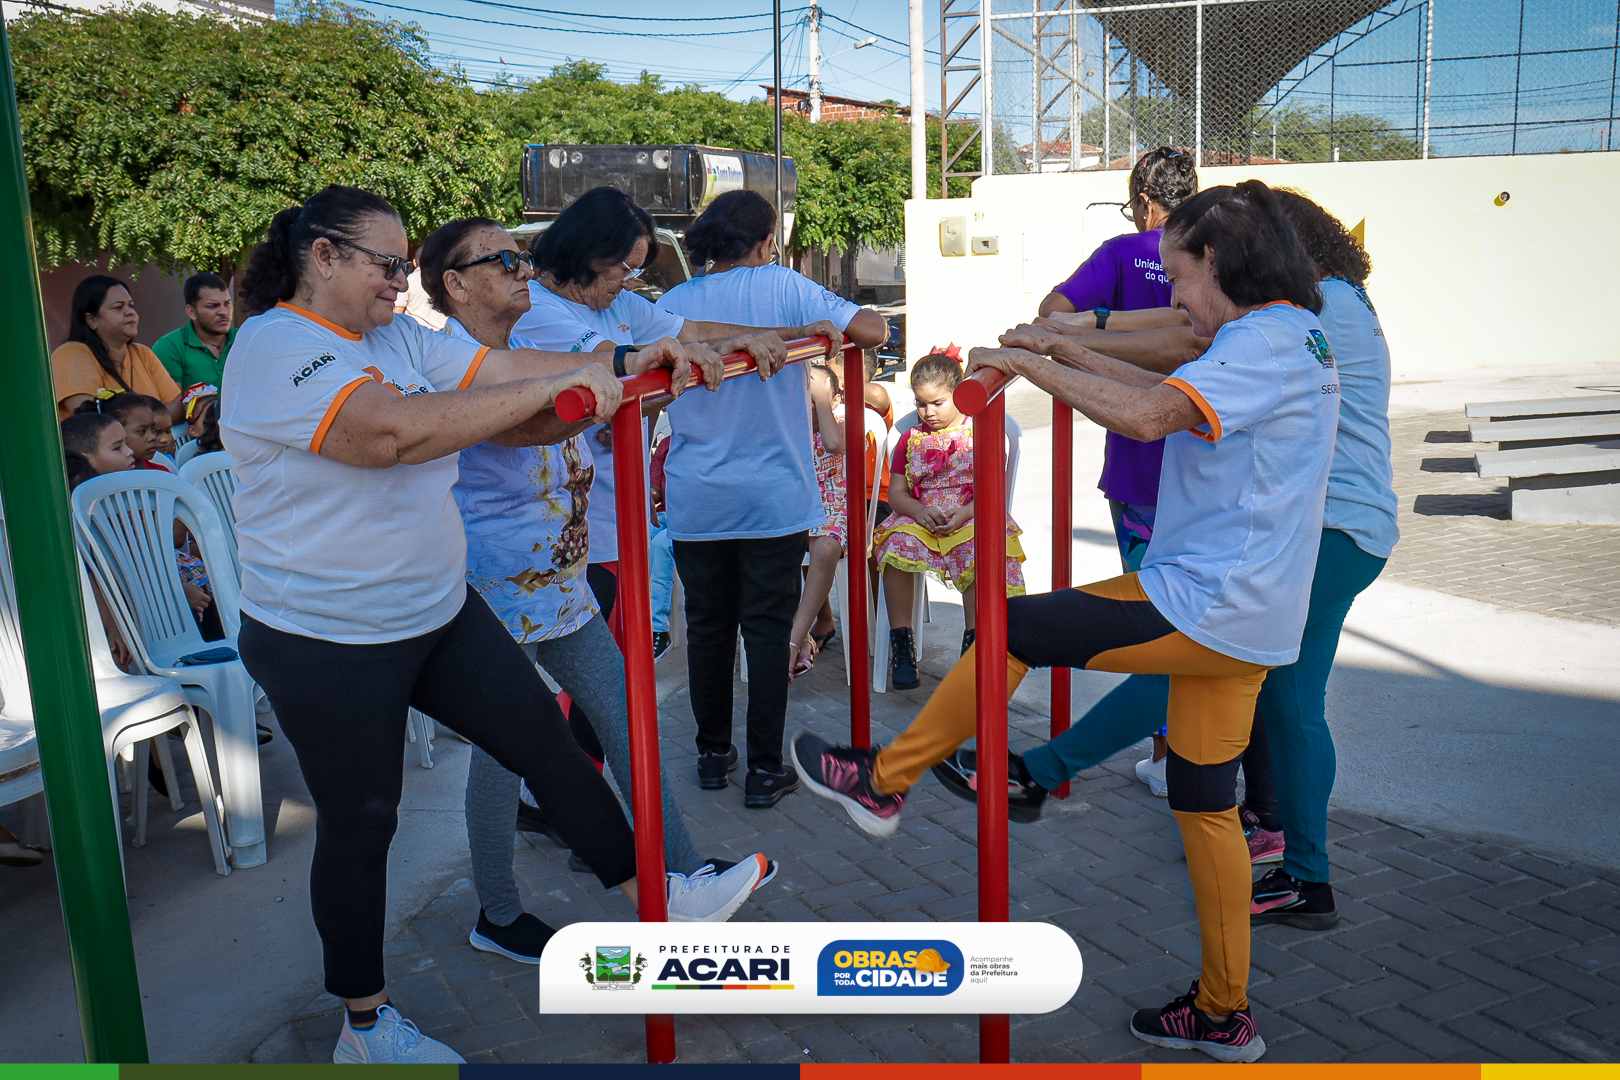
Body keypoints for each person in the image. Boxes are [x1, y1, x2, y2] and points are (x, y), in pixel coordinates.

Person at [795, 180, 1337, 1063]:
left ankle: (885, 780)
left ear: (1218, 262)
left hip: (1208, 600)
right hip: (1253, 608)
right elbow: (1162, 385)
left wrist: (1034, 366)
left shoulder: (1260, 341)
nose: (1176, 300)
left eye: (1179, 277)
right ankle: (1222, 1012)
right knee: (1205, 804)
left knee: (1014, 628)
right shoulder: (1289, 333)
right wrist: (1057, 349)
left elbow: (1153, 415)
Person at [223, 184, 708, 1064]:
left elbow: (496, 372)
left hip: (435, 608)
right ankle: (365, 1025)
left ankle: (662, 900)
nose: (399, 280)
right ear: (322, 257)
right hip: (327, 637)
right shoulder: (273, 346)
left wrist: (628, 358)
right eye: (386, 264)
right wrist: (568, 381)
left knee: (548, 746)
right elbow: (387, 436)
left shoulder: (399, 336)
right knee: (364, 822)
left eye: (405, 265)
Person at [417, 216, 777, 962]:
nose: (524, 269)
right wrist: (603, 387)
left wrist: (642, 376)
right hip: (494, 585)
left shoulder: (525, 346)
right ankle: (498, 912)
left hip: (560, 579)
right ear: (456, 284)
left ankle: (681, 875)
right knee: (504, 754)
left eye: (521, 256)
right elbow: (530, 423)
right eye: (503, 261)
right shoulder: (446, 362)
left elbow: (602, 371)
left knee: (625, 719)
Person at [654, 189, 889, 806]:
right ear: (765, 243)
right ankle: (763, 770)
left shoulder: (674, 303)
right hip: (773, 494)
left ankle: (711, 757)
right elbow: (873, 329)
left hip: (698, 495)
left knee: (707, 628)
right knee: (765, 629)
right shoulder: (785, 287)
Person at [1035, 148, 1201, 795]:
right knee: (1202, 616)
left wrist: (1091, 338)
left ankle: (1165, 758)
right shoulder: (1218, 257)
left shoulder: (1122, 254)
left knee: (1152, 618)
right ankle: (1202, 751)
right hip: (1209, 471)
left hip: (1141, 470)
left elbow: (1052, 312)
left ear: (1145, 202)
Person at [872, 351, 1026, 689]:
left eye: (937, 403)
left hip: (971, 515)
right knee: (895, 547)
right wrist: (917, 510)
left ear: (959, 394)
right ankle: (902, 643)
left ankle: (973, 645)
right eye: (920, 404)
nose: (928, 412)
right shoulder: (910, 439)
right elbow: (896, 493)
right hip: (922, 518)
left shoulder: (980, 433)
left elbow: (994, 490)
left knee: (977, 550)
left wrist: (966, 512)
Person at [784, 363, 847, 679]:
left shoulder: (844, 423)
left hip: (837, 511)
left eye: (817, 396)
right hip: (799, 510)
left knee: (824, 549)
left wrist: (822, 400)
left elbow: (834, 444)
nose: (809, 402)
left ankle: (793, 641)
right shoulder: (789, 427)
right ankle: (806, 631)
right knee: (774, 546)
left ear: (835, 400)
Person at [51, 276, 183, 422]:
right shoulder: (71, 354)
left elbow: (178, 405)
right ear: (92, 320)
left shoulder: (143, 353)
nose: (130, 312)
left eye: (131, 306)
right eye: (118, 307)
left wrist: (144, 427)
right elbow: (92, 416)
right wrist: (151, 422)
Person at [152, 272, 236, 389]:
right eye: (212, 306)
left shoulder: (245, 339)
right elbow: (170, 399)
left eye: (227, 304)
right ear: (191, 312)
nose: (224, 312)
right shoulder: (169, 347)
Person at [75, 393, 164, 470]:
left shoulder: (162, 472)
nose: (153, 437)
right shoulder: (102, 480)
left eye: (153, 430)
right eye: (142, 431)